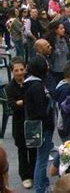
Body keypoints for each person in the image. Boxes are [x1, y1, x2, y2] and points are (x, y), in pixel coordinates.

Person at [24, 56, 54, 193]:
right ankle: (40, 188)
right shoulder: (37, 86)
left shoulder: (30, 83)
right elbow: (41, 110)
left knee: (40, 157)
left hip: (39, 126)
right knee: (42, 160)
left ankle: (43, 183)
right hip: (43, 127)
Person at [5, 57, 35, 189]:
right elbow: (13, 105)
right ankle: (25, 176)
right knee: (22, 150)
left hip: (32, 121)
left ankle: (34, 173)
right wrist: (27, 101)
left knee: (33, 149)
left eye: (21, 69)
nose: (19, 73)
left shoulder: (30, 82)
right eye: (16, 70)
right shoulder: (10, 87)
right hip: (19, 123)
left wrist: (21, 101)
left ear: (25, 69)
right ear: (12, 72)